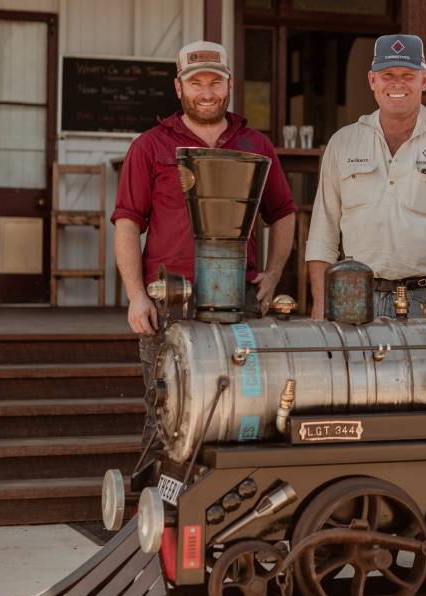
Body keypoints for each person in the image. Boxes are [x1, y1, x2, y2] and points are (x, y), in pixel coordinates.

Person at [111, 40, 296, 465]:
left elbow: (284, 213)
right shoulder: (149, 146)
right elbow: (127, 224)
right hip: (168, 301)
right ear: (179, 87)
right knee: (164, 413)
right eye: (197, 83)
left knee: (244, 406)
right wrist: (136, 296)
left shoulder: (256, 145)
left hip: (240, 300)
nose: (207, 91)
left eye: (216, 81)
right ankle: (154, 517)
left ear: (230, 86)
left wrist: (272, 275)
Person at [305, 34, 426, 319]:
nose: (397, 84)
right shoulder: (342, 143)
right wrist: (320, 306)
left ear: (424, 80)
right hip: (354, 296)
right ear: (372, 81)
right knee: (357, 366)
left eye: (407, 75)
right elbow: (322, 234)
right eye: (387, 75)